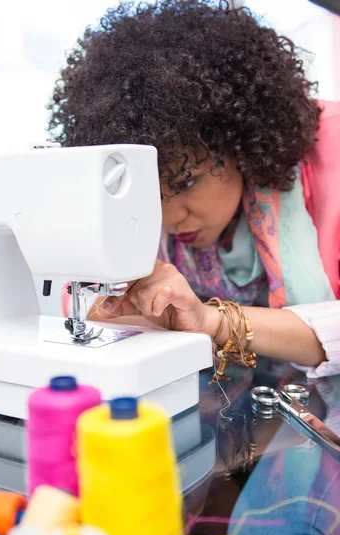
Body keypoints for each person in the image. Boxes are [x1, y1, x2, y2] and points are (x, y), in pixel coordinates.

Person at [49, 0, 340, 378]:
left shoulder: (332, 151)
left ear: (242, 142)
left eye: (186, 181)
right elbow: (80, 295)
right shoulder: (130, 197)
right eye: (151, 195)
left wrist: (210, 319)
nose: (170, 218)